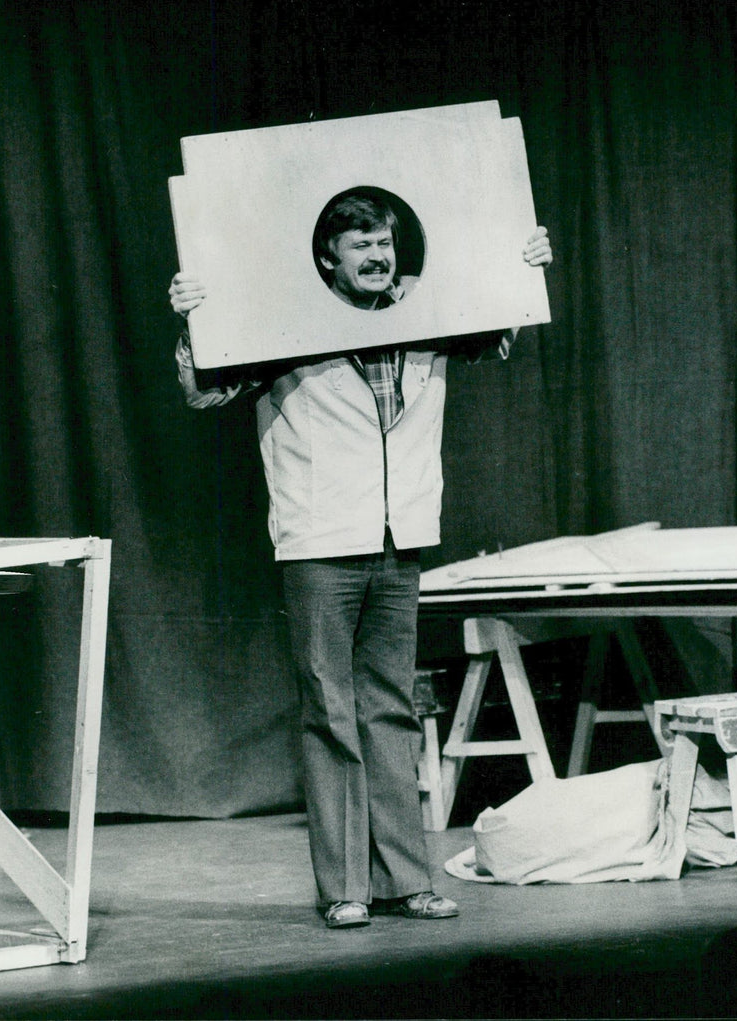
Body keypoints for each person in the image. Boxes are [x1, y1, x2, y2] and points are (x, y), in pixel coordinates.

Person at [169, 190, 552, 928]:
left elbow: (499, 330)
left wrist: (525, 267)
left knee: (390, 708)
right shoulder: (280, 325)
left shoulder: (427, 311)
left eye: (385, 243)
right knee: (330, 711)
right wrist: (194, 316)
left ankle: (408, 879)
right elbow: (204, 391)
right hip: (319, 540)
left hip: (398, 537)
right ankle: (345, 886)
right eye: (361, 246)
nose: (379, 256)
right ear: (327, 259)